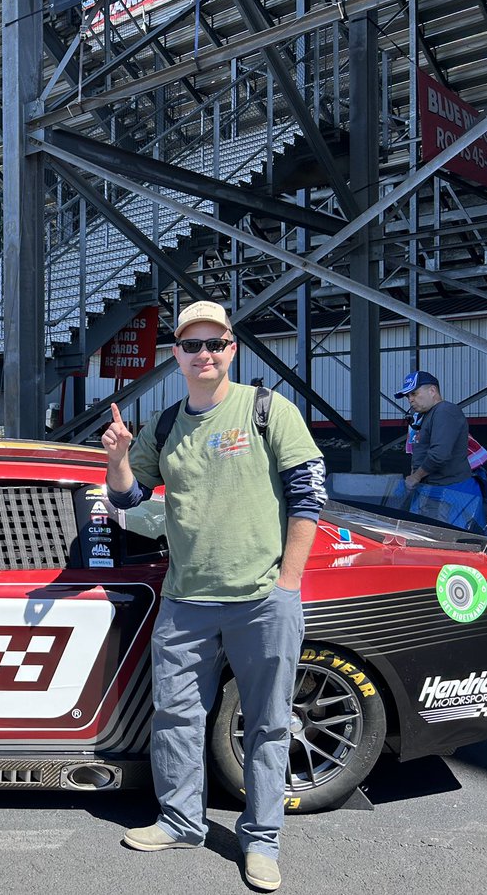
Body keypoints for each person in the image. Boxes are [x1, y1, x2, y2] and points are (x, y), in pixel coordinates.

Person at [101, 301, 325, 893]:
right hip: (185, 600)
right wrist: (119, 461)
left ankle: (262, 841)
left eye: (214, 344)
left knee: (270, 723)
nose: (204, 354)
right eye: (191, 345)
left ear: (232, 350)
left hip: (262, 599)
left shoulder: (267, 410)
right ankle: (180, 822)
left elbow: (308, 497)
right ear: (175, 354)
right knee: (176, 717)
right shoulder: (167, 423)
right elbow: (126, 502)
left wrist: (288, 585)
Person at [396, 370, 483, 529]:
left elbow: (439, 455)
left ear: (432, 390)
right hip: (438, 489)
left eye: (414, 393)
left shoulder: (444, 411)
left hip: (451, 491)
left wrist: (415, 477)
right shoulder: (429, 415)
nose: (410, 400)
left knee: (449, 540)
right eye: (408, 396)